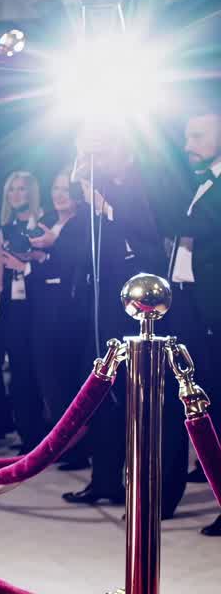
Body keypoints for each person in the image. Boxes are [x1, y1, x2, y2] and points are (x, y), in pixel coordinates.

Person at [63, 133, 168, 509]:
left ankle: (148, 487)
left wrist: (107, 205)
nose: (102, 158)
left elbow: (151, 230)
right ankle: (104, 479)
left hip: (146, 298)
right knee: (102, 388)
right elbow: (79, 181)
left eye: (107, 150)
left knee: (142, 395)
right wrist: (82, 151)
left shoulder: (148, 182)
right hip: (106, 296)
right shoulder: (98, 184)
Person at [166, 109, 221, 535]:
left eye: (198, 136)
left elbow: (186, 223)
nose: (189, 145)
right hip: (196, 306)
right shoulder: (203, 185)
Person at [28, 171, 93, 470]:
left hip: (70, 312)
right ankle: (65, 445)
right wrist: (37, 258)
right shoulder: (48, 221)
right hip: (44, 309)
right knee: (50, 381)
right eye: (55, 188)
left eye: (66, 189)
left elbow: (79, 261)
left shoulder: (83, 222)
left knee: (68, 381)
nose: (59, 194)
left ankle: (79, 448)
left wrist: (52, 245)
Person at [0, 171, 46, 452]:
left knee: (39, 369)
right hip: (12, 306)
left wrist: (26, 261)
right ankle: (28, 434)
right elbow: (0, 262)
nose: (16, 194)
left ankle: (46, 435)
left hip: (40, 304)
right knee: (19, 369)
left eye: (22, 189)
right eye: (11, 190)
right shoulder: (6, 228)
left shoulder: (44, 224)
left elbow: (48, 260)